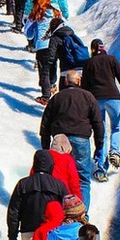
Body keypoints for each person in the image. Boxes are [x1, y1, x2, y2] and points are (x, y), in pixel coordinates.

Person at [39, 71, 104, 213]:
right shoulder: (88, 97)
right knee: (82, 179)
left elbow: (45, 123)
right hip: (81, 139)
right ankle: (82, 217)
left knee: (58, 178)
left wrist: (45, 147)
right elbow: (98, 122)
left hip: (59, 140)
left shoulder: (57, 98)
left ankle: (59, 215)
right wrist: (99, 145)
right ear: (79, 82)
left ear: (66, 82)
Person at [81, 38, 120, 182]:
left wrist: (84, 106)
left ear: (92, 49)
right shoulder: (111, 60)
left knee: (101, 133)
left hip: (96, 100)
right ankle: (115, 152)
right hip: (113, 98)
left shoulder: (88, 63)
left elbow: (85, 87)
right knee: (116, 128)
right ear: (103, 47)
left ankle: (101, 166)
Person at [24, 0, 62, 106]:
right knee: (53, 64)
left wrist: (31, 36)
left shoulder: (36, 14)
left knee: (44, 71)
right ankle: (52, 85)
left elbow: (27, 31)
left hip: (42, 45)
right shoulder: (56, 12)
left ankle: (45, 97)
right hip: (55, 44)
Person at [46, 18, 90, 90]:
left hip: (66, 73)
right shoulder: (72, 34)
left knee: (65, 98)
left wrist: (50, 78)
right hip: (81, 71)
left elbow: (51, 58)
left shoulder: (55, 38)